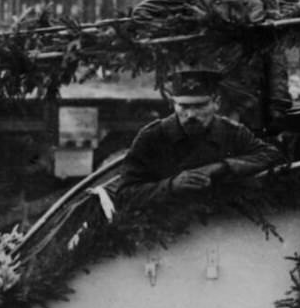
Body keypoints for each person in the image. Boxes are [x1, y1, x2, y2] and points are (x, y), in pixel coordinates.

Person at [131, 0, 292, 134]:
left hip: (250, 99)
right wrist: (183, 39)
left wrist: (279, 101)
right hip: (200, 97)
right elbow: (143, 14)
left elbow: (276, 52)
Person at [116, 68, 283, 210]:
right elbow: (124, 195)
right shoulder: (153, 136)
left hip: (221, 226)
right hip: (166, 230)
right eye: (184, 106)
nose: (191, 115)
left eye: (200, 106)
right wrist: (172, 185)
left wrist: (221, 167)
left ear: (216, 103)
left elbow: (272, 156)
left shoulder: (232, 132)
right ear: (173, 104)